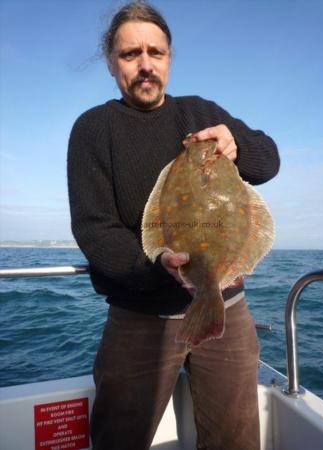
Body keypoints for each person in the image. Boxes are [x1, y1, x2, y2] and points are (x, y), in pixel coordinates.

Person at [67, 2, 280, 449]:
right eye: (130, 55)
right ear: (111, 62)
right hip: (139, 317)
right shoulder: (93, 129)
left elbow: (269, 161)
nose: (145, 65)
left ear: (169, 58)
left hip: (228, 306)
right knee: (119, 438)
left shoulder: (201, 113)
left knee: (235, 439)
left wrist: (236, 144)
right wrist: (158, 263)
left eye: (156, 52)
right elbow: (94, 228)